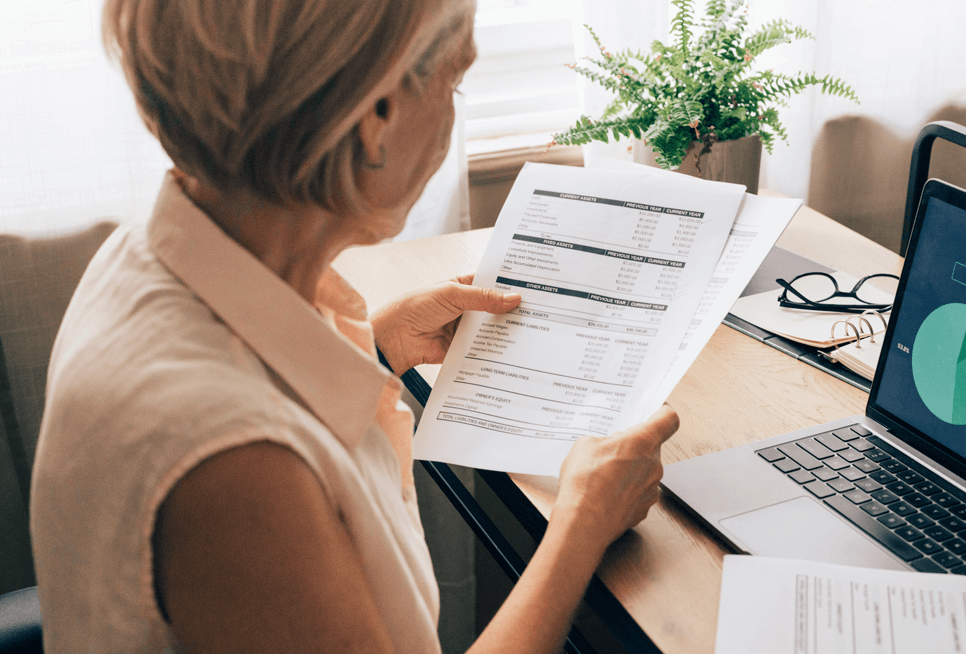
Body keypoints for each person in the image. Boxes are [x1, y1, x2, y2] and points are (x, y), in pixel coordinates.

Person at [29, 0, 680, 652]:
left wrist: (373, 346)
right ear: (377, 117)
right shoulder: (235, 467)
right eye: (452, 83)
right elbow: (241, 432)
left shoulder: (150, 249)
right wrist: (581, 520)